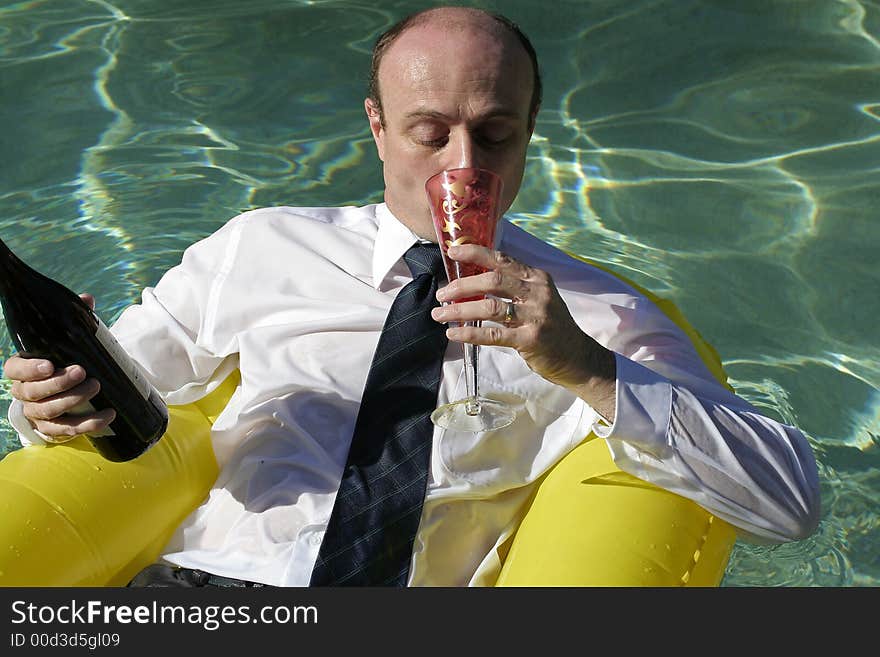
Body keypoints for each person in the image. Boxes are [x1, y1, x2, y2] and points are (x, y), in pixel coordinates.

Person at [2, 6, 819, 587]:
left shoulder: (595, 313)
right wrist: (46, 406)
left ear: (531, 131)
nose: (465, 163)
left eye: (496, 133)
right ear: (377, 128)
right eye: (430, 131)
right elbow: (114, 401)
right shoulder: (260, 248)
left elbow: (790, 503)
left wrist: (582, 365)